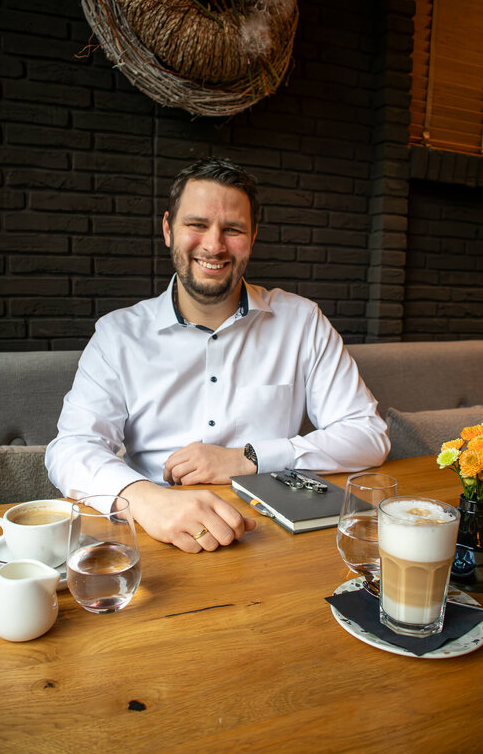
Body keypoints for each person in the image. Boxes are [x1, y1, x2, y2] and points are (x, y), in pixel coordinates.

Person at [46, 157, 390, 553]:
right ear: (168, 230)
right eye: (196, 224)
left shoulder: (302, 321)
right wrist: (144, 499)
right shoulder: (117, 334)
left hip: (276, 539)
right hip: (155, 533)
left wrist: (249, 457)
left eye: (233, 229)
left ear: (253, 236)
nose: (213, 245)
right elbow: (70, 448)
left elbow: (368, 434)